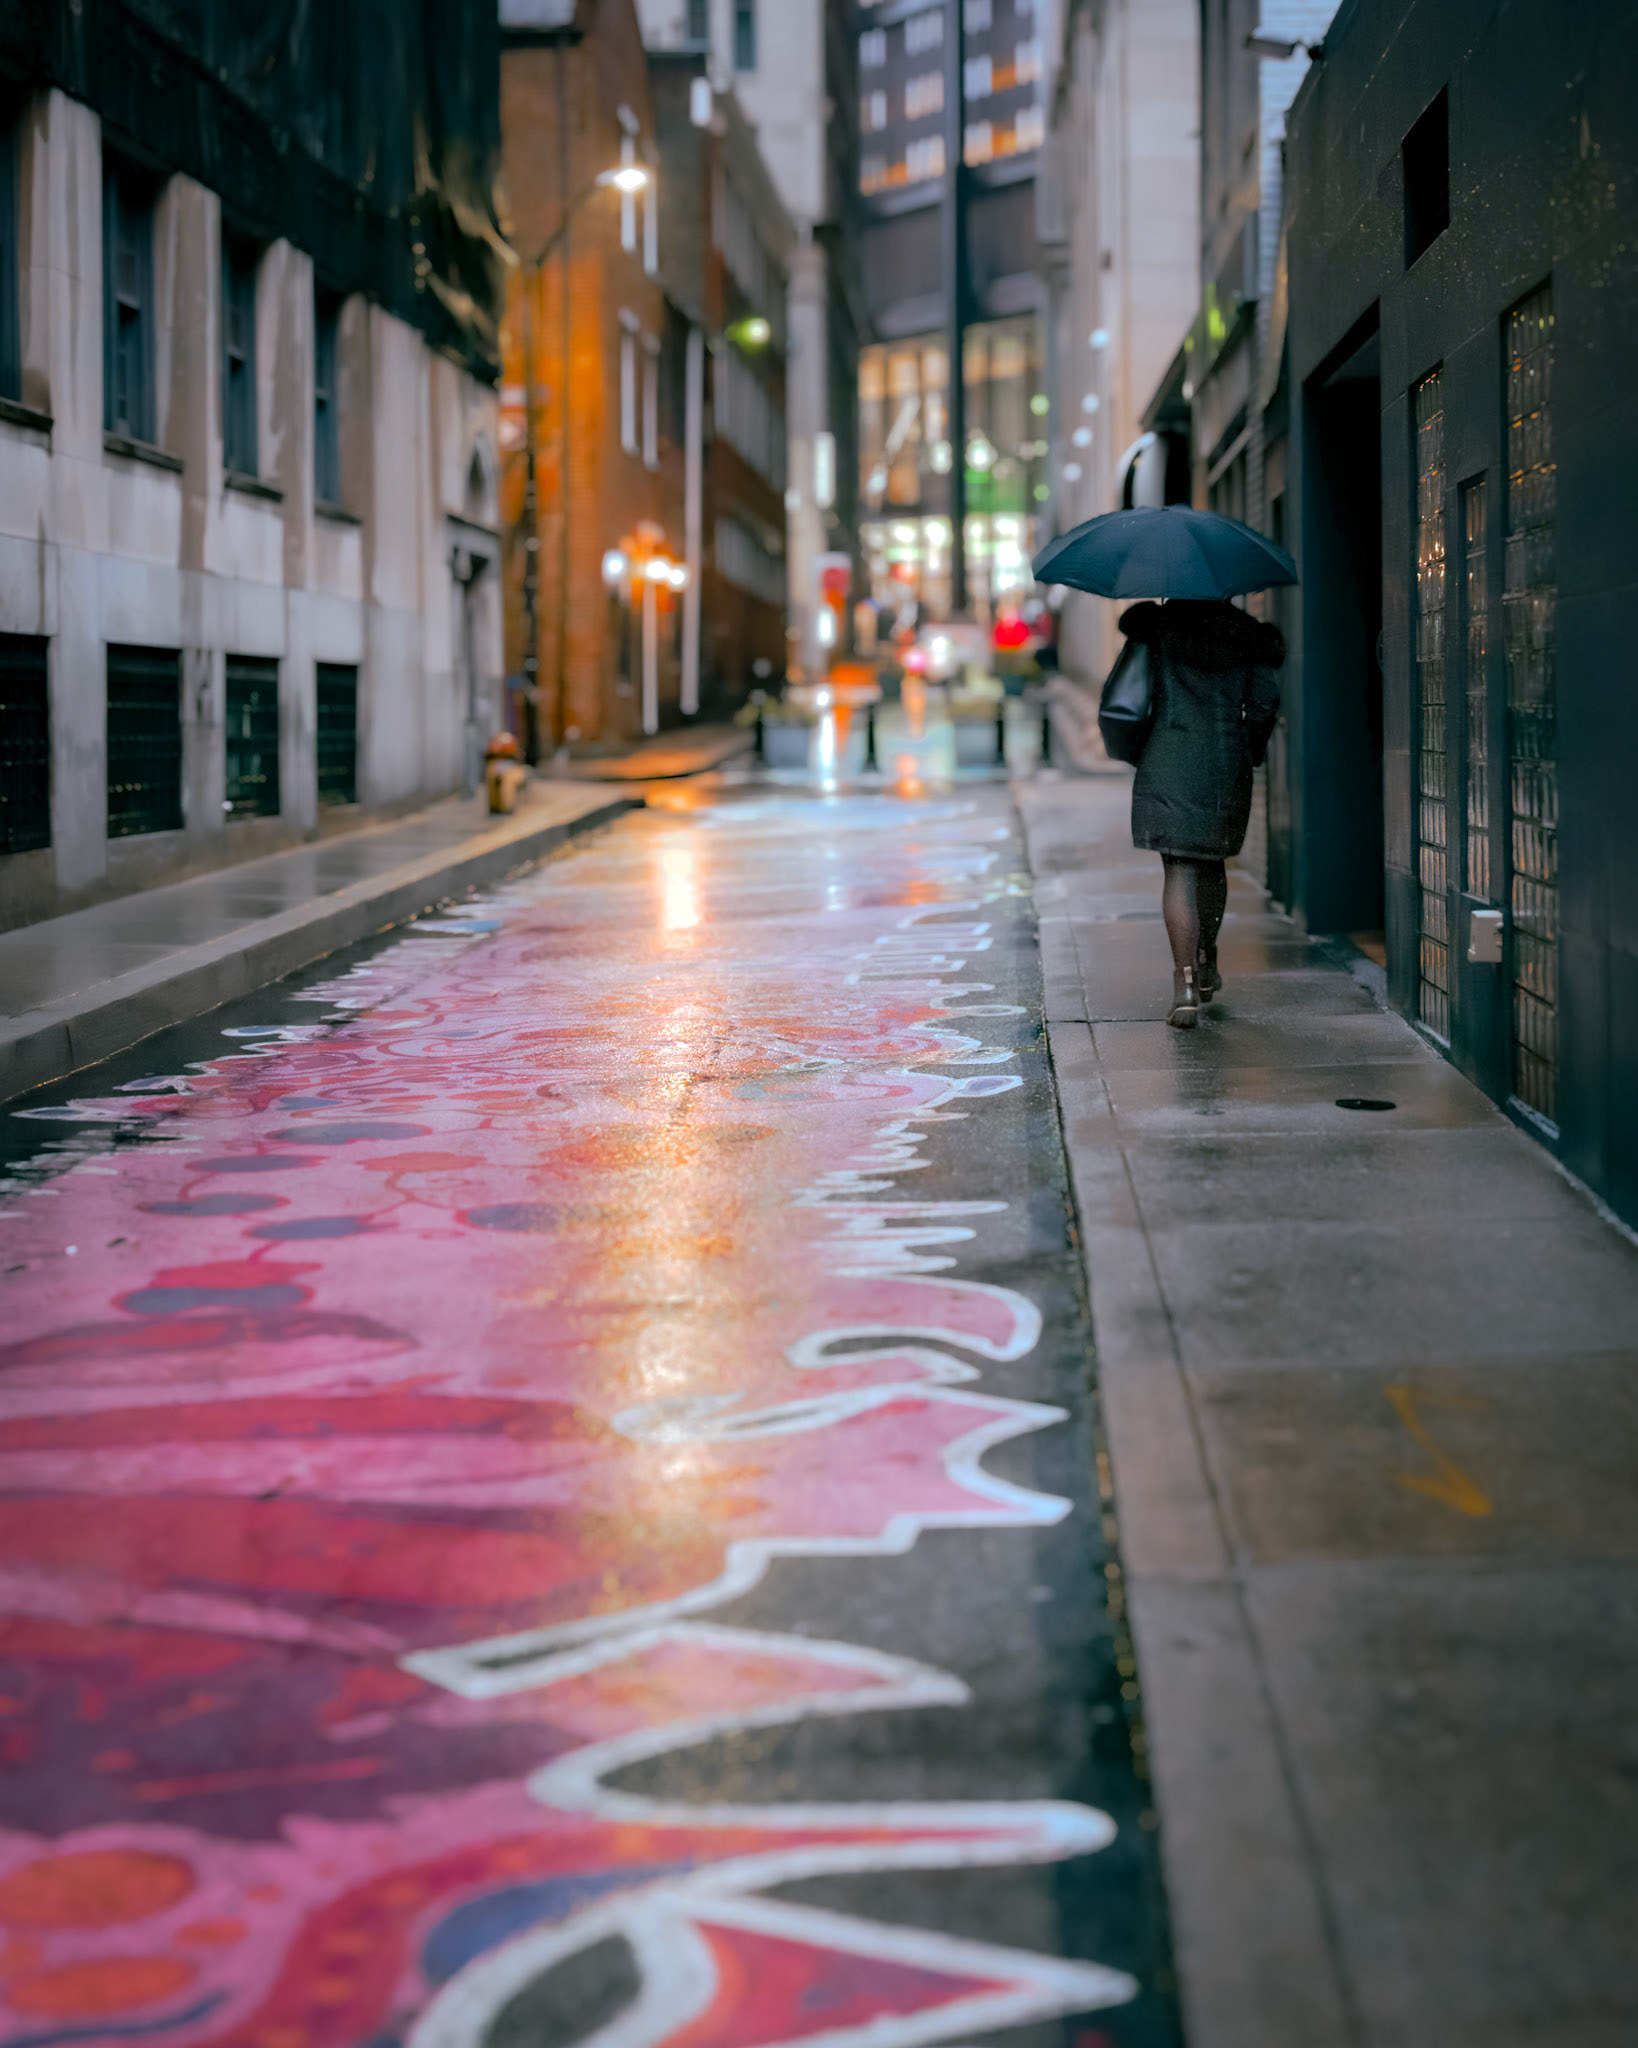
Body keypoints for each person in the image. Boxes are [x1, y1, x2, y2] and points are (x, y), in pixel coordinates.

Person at [1115, 598, 1285, 1028]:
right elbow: (1265, 701)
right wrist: (1250, 750)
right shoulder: (1245, 634)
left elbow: (1128, 696)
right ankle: (1207, 961)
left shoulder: (1156, 628)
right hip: (1224, 761)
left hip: (1167, 756)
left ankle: (1184, 985)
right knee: (1212, 863)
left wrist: (1139, 748)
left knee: (1178, 869)